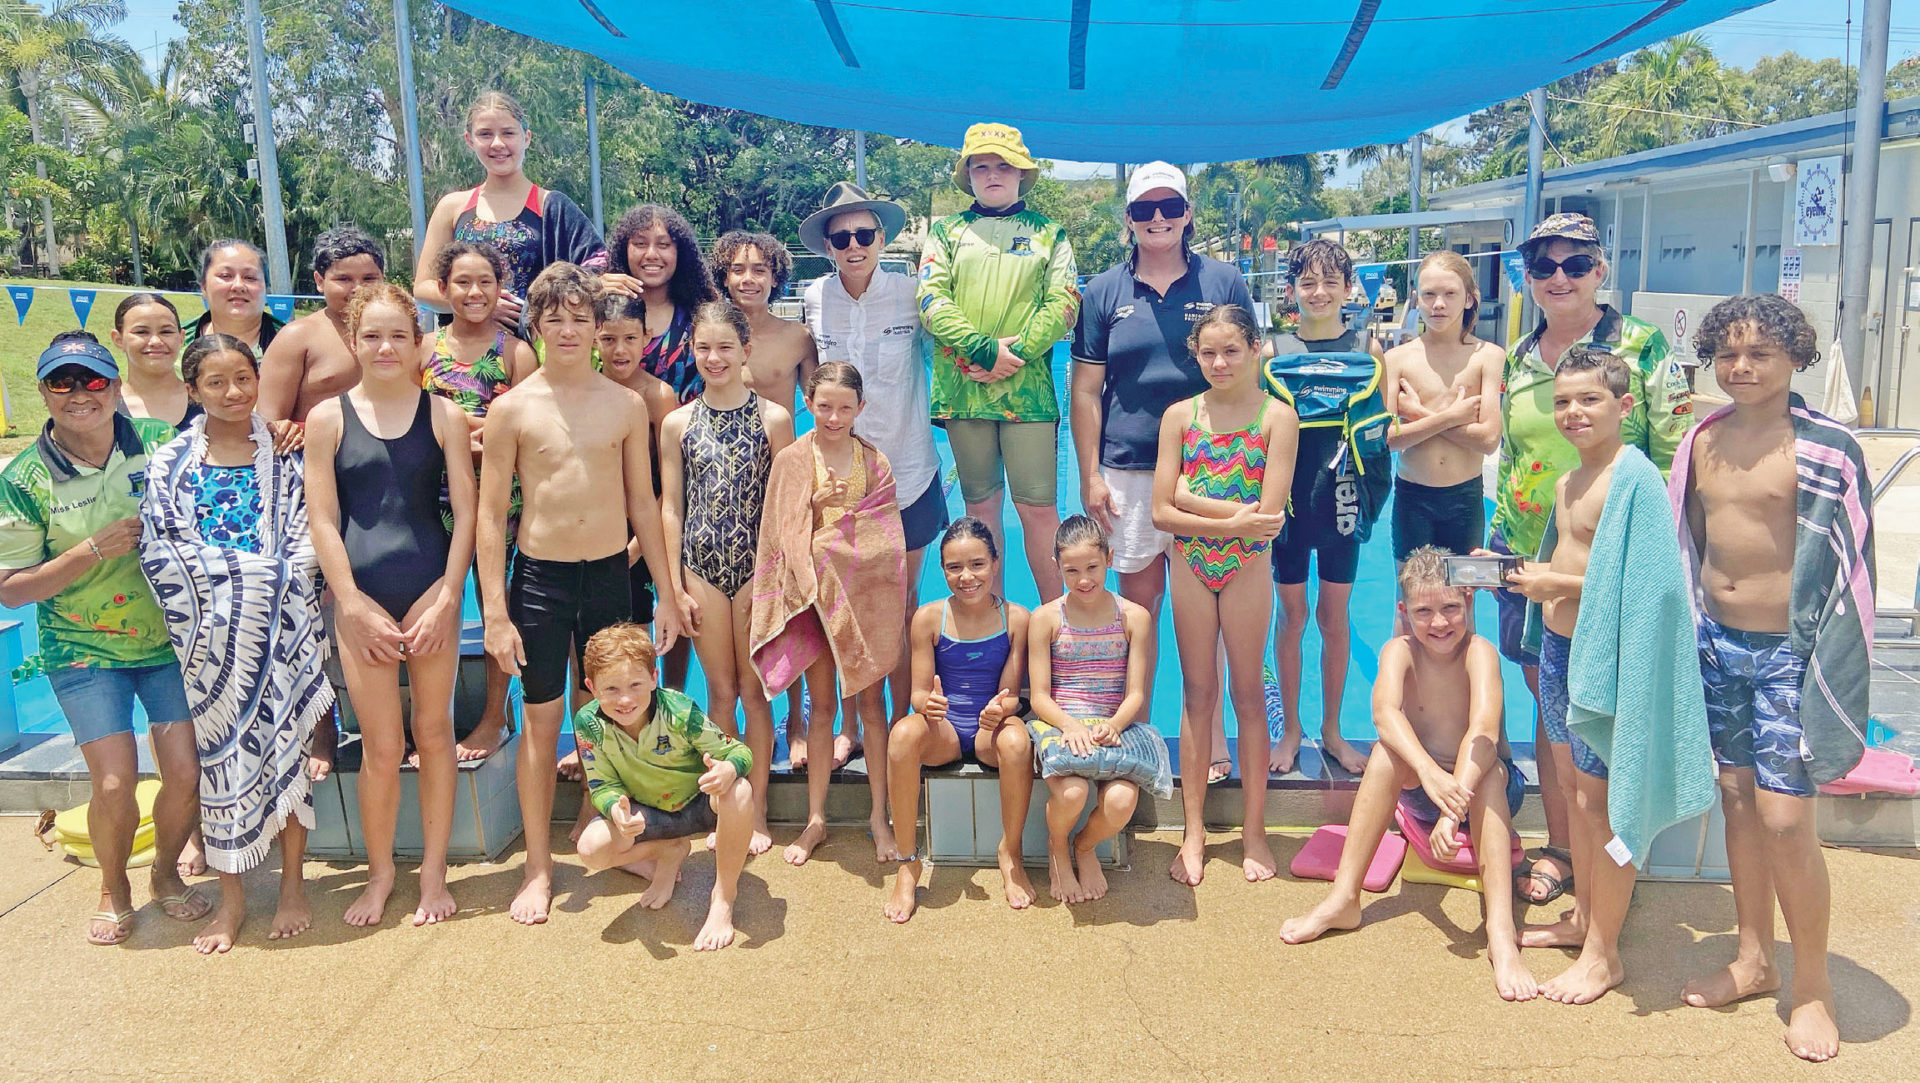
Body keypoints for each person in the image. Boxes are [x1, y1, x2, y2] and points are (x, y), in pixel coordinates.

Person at [1672, 296, 1874, 1062]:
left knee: (1787, 818)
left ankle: (1814, 983)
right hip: (1718, 645)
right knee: (1736, 802)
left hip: (1792, 653)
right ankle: (1754, 956)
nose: (1741, 367)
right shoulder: (1702, 440)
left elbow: (1850, 566)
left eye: (1759, 352)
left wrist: (1833, 661)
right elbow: (1684, 545)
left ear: (1796, 356)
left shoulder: (1827, 447)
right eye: (1727, 353)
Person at [1495, 212, 1692, 907]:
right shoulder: (1521, 356)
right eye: (1543, 266)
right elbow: (1516, 461)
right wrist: (1497, 549)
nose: (1558, 277)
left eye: (1574, 264)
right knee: (1551, 711)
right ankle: (1563, 845)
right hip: (1526, 559)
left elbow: (1675, 454)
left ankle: (1612, 863)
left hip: (1613, 567)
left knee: (1610, 713)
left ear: (1600, 271)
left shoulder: (1640, 346)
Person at [1505, 347, 1713, 1005]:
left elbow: (1652, 586)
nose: (1573, 412)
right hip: (1566, 655)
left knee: (1610, 806)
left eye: (1589, 399)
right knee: (1575, 794)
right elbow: (1571, 557)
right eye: (1563, 400)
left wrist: (1555, 582)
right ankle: (1584, 920)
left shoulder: (1637, 477)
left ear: (1624, 406)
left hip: (1609, 664)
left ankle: (1605, 953)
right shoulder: (1571, 480)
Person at [478, 263, 683, 926]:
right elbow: (488, 518)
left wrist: (671, 596)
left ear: (599, 328)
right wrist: (495, 612)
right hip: (540, 580)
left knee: (612, 717)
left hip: (607, 577)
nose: (568, 330)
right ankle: (539, 868)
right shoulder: (511, 408)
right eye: (554, 319)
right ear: (535, 327)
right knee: (542, 724)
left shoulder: (624, 405)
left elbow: (643, 505)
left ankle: (606, 834)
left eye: (580, 318)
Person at [0, 334, 209, 945]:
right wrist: (91, 551)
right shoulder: (25, 478)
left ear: (116, 388)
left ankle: (166, 876)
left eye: (92, 382)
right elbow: (12, 590)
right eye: (62, 383)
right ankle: (113, 885)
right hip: (83, 646)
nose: (79, 395)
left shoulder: (160, 444)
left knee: (185, 770)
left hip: (169, 639)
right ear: (43, 393)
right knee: (114, 781)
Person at [138, 334, 333, 953]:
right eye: (216, 383)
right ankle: (232, 900)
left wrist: (267, 584)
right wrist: (257, 581)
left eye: (243, 379)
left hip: (282, 639)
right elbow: (167, 556)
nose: (233, 393)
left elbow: (307, 544)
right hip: (213, 652)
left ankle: (295, 885)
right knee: (223, 768)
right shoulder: (170, 465)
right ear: (192, 390)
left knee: (291, 759)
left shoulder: (284, 458)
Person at [1278, 546, 1536, 1002]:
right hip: (1426, 792)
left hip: (1482, 788)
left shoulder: (1480, 653)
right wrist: (1428, 777)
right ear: (1404, 612)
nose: (1440, 622)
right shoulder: (1399, 651)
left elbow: (1484, 731)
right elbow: (1383, 713)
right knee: (1383, 753)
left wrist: (1451, 810)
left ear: (1469, 604)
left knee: (1491, 771)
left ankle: (1500, 930)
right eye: (1425, 611)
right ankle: (1344, 899)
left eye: (1451, 607)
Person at [1072, 161, 1254, 784]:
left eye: (1169, 208)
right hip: (1128, 469)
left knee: (1209, 610)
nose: (1157, 219)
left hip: (1211, 469)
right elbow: (1087, 389)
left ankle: (1213, 741)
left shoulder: (1224, 280)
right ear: (1128, 217)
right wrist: (1090, 473)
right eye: (1145, 209)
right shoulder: (1102, 292)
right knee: (1137, 614)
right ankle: (1136, 733)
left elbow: (1253, 367)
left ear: (1187, 214)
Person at [304, 284, 476, 928]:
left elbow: (465, 514)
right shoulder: (327, 418)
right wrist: (348, 602)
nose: (384, 347)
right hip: (360, 601)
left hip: (432, 589)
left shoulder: (444, 416)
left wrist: (451, 594)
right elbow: (322, 519)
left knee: (434, 734)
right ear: (353, 342)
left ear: (417, 346)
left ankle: (433, 873)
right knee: (379, 746)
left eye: (398, 336)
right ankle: (381, 877)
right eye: (371, 336)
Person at [801, 182, 947, 757]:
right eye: (842, 238)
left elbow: (954, 349)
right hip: (842, 481)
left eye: (864, 234)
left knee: (904, 604)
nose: (854, 245)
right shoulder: (813, 299)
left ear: (882, 238)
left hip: (910, 473)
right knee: (845, 604)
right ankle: (850, 728)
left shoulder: (914, 296)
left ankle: (907, 724)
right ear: (828, 246)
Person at [1151, 305, 1295, 886]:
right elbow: (1162, 511)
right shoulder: (1180, 417)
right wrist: (1227, 520)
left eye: (1232, 350)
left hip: (1247, 567)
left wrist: (1195, 501)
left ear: (1256, 349)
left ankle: (1254, 831)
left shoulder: (1276, 418)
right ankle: (1193, 831)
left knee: (1249, 698)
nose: (1219, 362)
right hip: (1189, 560)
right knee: (1197, 695)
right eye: (1208, 352)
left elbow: (1270, 516)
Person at [748, 362, 907, 867]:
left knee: (871, 708)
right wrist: (814, 509)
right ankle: (815, 819)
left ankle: (879, 817)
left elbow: (886, 539)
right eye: (823, 406)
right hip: (814, 601)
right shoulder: (794, 461)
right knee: (821, 709)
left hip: (861, 603)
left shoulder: (875, 463)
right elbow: (777, 533)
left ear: (861, 407)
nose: (834, 417)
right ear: (808, 405)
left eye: (844, 407)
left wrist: (839, 534)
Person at [919, 122, 1078, 601]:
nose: (992, 173)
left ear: (1021, 174)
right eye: (981, 165)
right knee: (981, 512)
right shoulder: (945, 233)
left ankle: (1058, 624)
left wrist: (1016, 354)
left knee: (1039, 511)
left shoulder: (1050, 233)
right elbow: (930, 299)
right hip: (965, 392)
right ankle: (992, 622)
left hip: (1027, 396)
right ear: (967, 176)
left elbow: (1066, 303)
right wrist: (985, 351)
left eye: (1002, 165)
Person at [659, 300, 794, 855]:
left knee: (755, 694)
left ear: (746, 350)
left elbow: (787, 507)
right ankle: (726, 809)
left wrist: (782, 582)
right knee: (719, 694)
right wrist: (672, 589)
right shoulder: (678, 422)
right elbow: (671, 507)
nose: (713, 358)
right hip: (702, 570)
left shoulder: (773, 419)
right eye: (703, 348)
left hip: (757, 574)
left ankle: (756, 808)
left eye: (725, 348)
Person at [1265, 238, 1383, 776]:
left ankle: (1332, 730)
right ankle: (1291, 729)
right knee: (1291, 618)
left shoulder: (1369, 348)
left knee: (1333, 617)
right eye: (1308, 283)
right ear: (1292, 289)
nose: (1318, 292)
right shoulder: (1273, 352)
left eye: (1329, 282)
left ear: (1347, 288)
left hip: (1342, 500)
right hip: (1289, 502)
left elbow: (1382, 435)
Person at [418, 239, 537, 762]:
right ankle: (433, 718)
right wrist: (470, 428)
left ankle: (494, 715)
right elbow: (406, 413)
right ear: (443, 289)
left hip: (501, 497)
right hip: (434, 493)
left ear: (500, 287)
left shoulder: (516, 352)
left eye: (485, 282)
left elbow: (528, 426)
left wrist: (454, 425)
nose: (474, 292)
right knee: (435, 607)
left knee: (499, 605)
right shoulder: (423, 349)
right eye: (462, 282)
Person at [884, 517, 1035, 921]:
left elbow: (1014, 695)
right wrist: (926, 704)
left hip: (990, 731)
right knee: (900, 736)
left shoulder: (1016, 619)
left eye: (977, 565)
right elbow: (918, 691)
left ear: (996, 563)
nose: (966, 577)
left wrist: (1002, 709)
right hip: (945, 731)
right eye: (954, 567)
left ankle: (1011, 852)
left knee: (1018, 742)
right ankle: (907, 861)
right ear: (942, 569)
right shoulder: (929, 619)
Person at [572, 623, 755, 951]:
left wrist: (728, 769)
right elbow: (601, 784)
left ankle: (723, 898)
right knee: (591, 848)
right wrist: (616, 808)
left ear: (654, 678)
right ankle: (668, 851)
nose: (625, 698)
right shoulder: (588, 722)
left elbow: (739, 752)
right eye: (611, 689)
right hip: (647, 814)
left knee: (739, 791)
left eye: (635, 684)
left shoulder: (679, 711)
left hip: (699, 802)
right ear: (591, 686)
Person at [1026, 515, 1167, 903]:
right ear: (1057, 567)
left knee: (1121, 802)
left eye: (1092, 567)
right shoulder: (1046, 619)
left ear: (1110, 558)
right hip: (1060, 723)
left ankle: (1084, 847)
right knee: (1071, 794)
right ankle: (1058, 848)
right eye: (1072, 571)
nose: (1084, 579)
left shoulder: (1133, 617)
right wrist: (1069, 725)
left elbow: (1135, 693)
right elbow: (1039, 697)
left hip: (1112, 724)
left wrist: (1116, 724)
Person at [413, 90, 608, 332]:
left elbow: (598, 266)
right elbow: (423, 288)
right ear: (469, 140)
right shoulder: (453, 207)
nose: (497, 143)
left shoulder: (552, 206)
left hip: (535, 352)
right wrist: (482, 304)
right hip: (464, 355)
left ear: (526, 138)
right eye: (485, 134)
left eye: (508, 133)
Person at [1383, 251, 1503, 563]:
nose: (1438, 304)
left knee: (1462, 600)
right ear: (1416, 298)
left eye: (1450, 294)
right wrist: (1452, 417)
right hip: (1413, 496)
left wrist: (1418, 415)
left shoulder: (1488, 356)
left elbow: (1489, 441)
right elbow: (1386, 441)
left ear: (1468, 298)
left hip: (1465, 497)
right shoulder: (1396, 359)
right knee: (1409, 599)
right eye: (1429, 294)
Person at [258, 226, 388, 423]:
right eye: (343, 279)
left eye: (369, 279)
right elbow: (267, 423)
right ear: (320, 281)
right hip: (313, 450)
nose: (358, 289)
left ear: (383, 278)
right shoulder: (297, 338)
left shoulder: (400, 335)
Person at [600, 204, 717, 403]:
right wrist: (589, 290)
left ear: (680, 252)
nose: (652, 254)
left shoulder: (702, 314)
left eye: (663, 245)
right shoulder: (599, 308)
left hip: (686, 431)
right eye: (640, 244)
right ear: (624, 249)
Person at [711, 230, 817, 415]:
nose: (748, 279)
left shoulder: (798, 337)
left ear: (774, 278)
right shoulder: (707, 338)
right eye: (738, 270)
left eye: (759, 271)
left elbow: (820, 404)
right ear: (725, 278)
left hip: (780, 443)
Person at [110, 293, 193, 429]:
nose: (156, 342)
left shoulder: (207, 402)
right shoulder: (106, 409)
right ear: (118, 339)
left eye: (166, 332)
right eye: (141, 332)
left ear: (181, 338)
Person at [187, 240, 284, 351]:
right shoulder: (176, 340)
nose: (238, 286)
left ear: (266, 288)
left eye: (250, 277)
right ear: (204, 286)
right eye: (225, 275)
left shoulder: (293, 344)